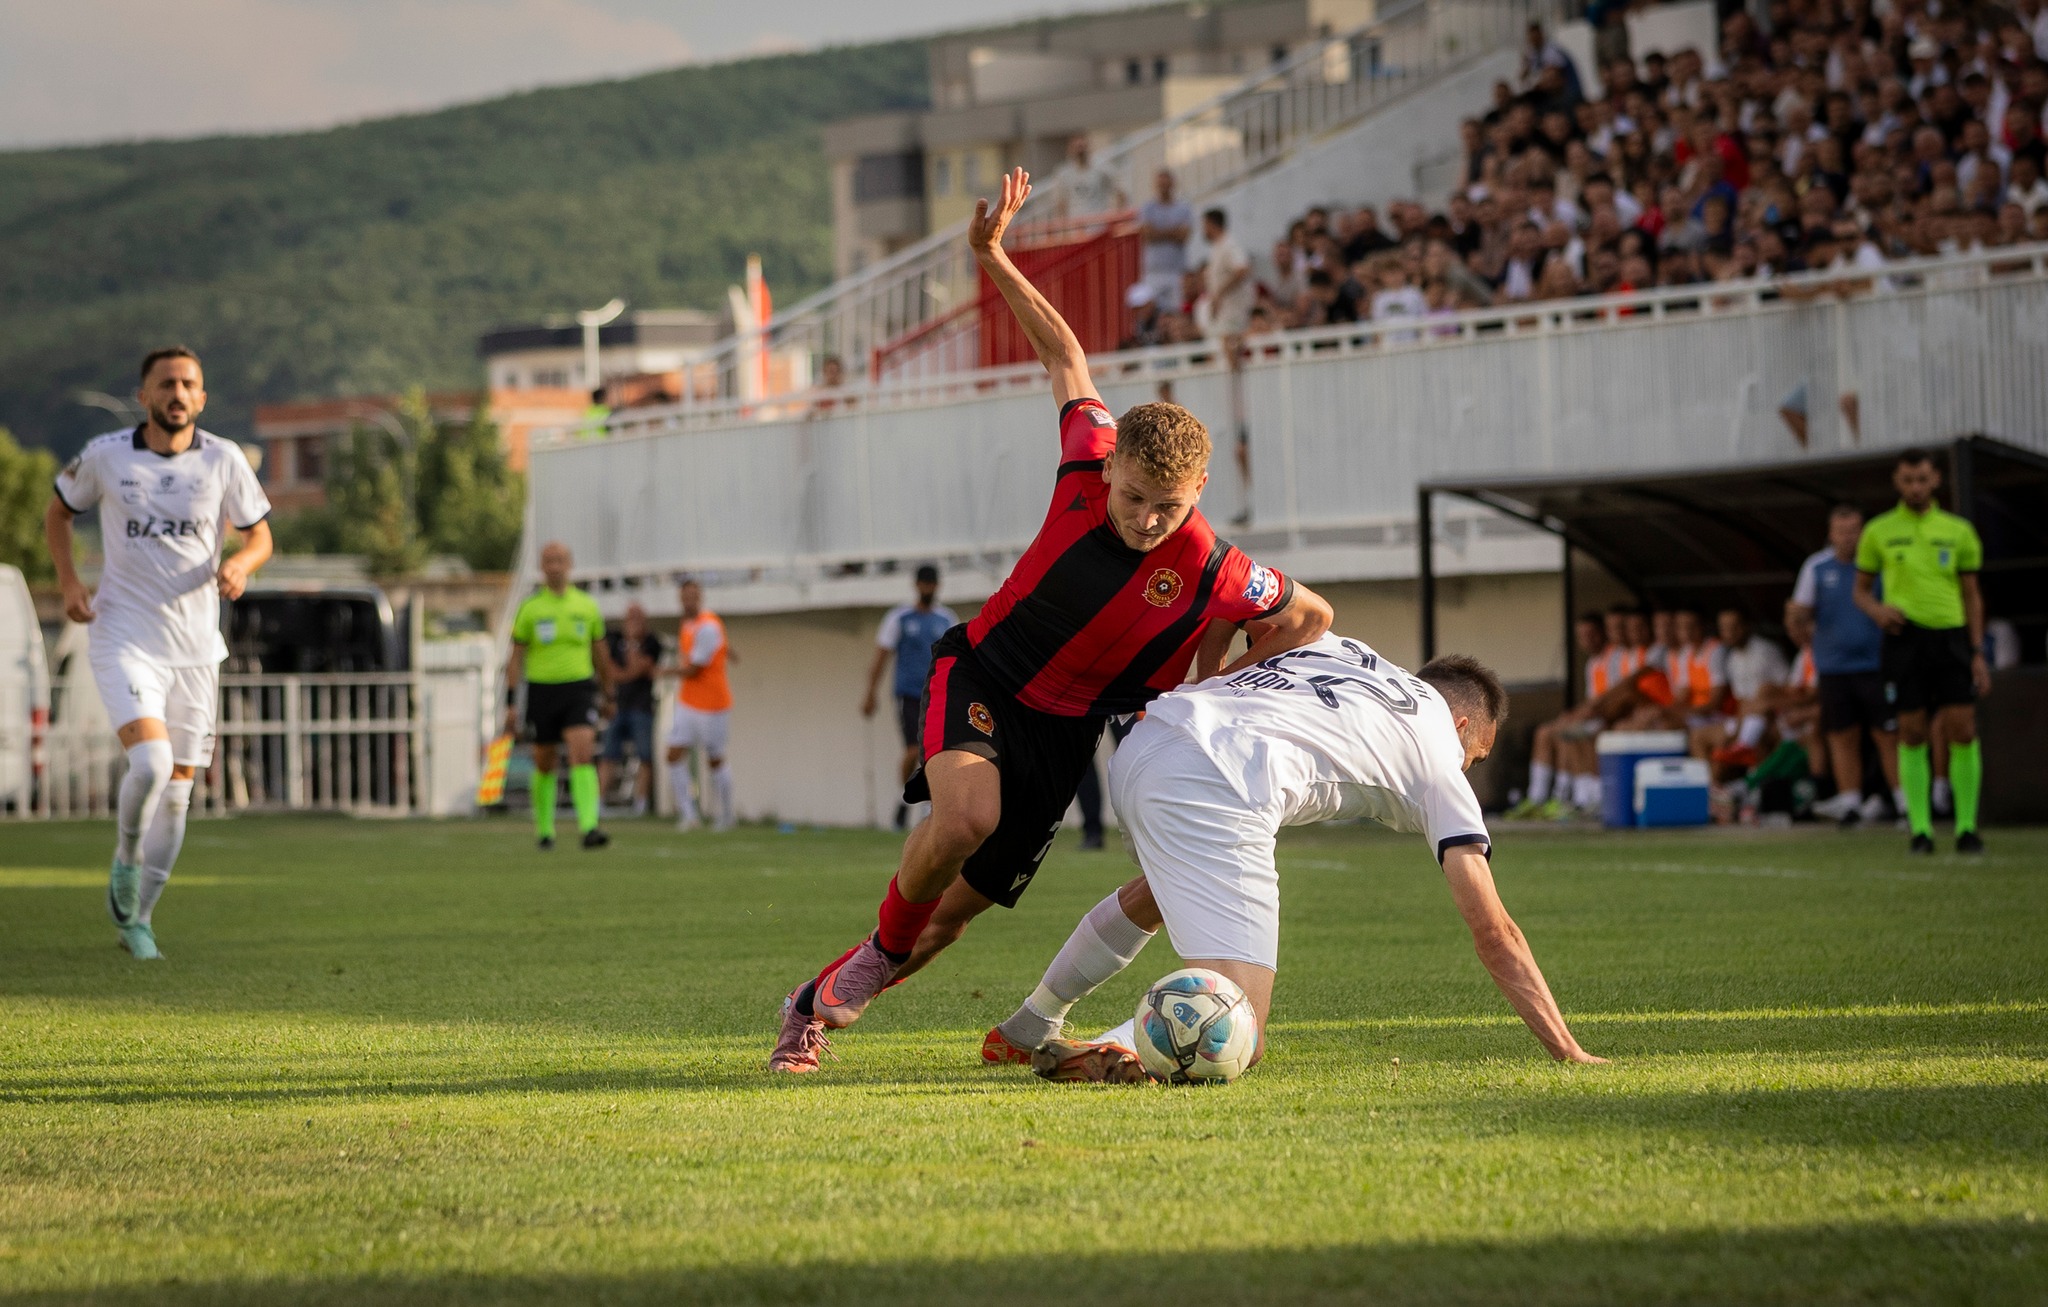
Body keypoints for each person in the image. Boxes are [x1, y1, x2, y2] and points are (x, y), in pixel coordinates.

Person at [769, 167, 1333, 1074]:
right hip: (986, 674)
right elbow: (1065, 353)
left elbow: (1310, 614)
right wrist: (991, 254)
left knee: (953, 916)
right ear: (1111, 471)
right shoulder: (1086, 457)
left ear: (1201, 492)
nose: (1149, 519)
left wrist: (1218, 673)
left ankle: (811, 1004)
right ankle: (873, 954)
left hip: (1068, 734)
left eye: (1170, 505)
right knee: (961, 820)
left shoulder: (1217, 565)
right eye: (1137, 496)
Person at [981, 638, 1604, 1080]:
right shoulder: (1438, 755)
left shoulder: (1345, 650)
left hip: (1152, 739)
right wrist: (1567, 1050)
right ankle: (1117, 1046)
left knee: (1157, 892)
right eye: (1479, 756)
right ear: (1464, 723)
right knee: (1238, 1030)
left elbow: (1261, 613)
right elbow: (1494, 930)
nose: (1469, 769)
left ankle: (1030, 1025)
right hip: (1219, 781)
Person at [43, 346, 274, 960]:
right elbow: (58, 514)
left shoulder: (224, 460)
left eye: (189, 384)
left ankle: (139, 921)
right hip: (124, 635)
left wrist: (243, 563)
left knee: (178, 793)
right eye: (166, 383)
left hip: (197, 650)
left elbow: (259, 534)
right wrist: (69, 583)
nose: (177, 392)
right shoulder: (106, 455)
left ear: (202, 397)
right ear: (143, 395)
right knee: (149, 764)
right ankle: (125, 856)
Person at [1854, 450, 1990, 855]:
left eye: (1922, 479)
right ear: (1897, 482)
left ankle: (1966, 827)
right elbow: (1860, 590)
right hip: (1904, 640)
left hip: (1950, 638)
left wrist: (1977, 650)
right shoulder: (1879, 531)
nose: (1915, 486)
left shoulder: (1958, 530)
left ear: (1935, 481)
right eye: (1908, 480)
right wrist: (1878, 610)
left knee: (1961, 729)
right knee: (1911, 732)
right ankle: (1921, 830)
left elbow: (1971, 594)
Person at [1790, 505, 1900, 825]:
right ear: (1830, 534)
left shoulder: (1878, 564)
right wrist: (1797, 621)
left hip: (1876, 665)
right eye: (1842, 531)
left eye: (1854, 530)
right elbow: (1800, 610)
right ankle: (1850, 801)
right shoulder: (1817, 567)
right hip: (1834, 668)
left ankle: (1904, 803)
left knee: (1888, 735)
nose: (1848, 538)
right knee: (1842, 735)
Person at [505, 541, 613, 851]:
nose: (555, 566)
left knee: (582, 753)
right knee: (544, 761)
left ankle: (590, 826)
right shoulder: (531, 608)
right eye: (549, 560)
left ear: (570, 564)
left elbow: (600, 653)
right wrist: (512, 702)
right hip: (542, 690)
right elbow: (515, 658)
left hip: (578, 688)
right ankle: (544, 830)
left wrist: (609, 692)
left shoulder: (587, 606)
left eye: (560, 560)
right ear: (541, 566)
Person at [861, 565, 959, 831]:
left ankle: (929, 807)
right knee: (914, 750)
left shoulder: (946, 619)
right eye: (924, 584)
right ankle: (903, 801)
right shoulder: (899, 618)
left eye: (932, 584)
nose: (928, 588)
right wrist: (871, 693)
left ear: (938, 586)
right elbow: (882, 656)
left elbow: (958, 661)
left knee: (937, 750)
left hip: (938, 695)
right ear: (916, 585)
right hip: (909, 694)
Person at [1198, 207, 1256, 524]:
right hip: (1226, 335)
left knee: (1241, 440)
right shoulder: (1220, 249)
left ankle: (1249, 504)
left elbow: (1242, 269)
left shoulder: (1229, 246)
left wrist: (1219, 293)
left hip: (1234, 331)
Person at [666, 577, 735, 832]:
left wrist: (663, 671)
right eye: (685, 596)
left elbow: (694, 669)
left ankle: (727, 814)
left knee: (714, 759)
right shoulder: (688, 624)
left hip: (713, 703)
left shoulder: (708, 626)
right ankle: (689, 814)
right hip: (689, 702)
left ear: (700, 597)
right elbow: (719, 647)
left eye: (693, 595)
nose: (688, 600)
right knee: (673, 755)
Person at [599, 602, 662, 816]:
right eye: (630, 616)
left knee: (644, 756)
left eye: (637, 617)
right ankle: (598, 802)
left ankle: (641, 803)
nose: (633, 621)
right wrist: (626, 674)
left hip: (641, 707)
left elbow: (638, 668)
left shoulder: (651, 641)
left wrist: (634, 644)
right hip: (619, 705)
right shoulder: (615, 638)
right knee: (609, 754)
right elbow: (610, 669)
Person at [1138, 170, 1193, 307]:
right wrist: (1173, 231)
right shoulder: (1148, 208)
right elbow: (1147, 235)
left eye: (1166, 184)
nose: (1163, 188)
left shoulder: (1183, 208)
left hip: (1176, 270)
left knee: (1176, 309)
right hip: (1154, 270)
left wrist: (1159, 231)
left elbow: (1183, 236)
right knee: (1155, 312)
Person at [1053, 135, 1124, 218]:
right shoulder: (1064, 174)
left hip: (1100, 223)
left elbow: (1119, 191)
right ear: (1070, 150)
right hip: (1076, 224)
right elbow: (1061, 203)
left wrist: (1118, 214)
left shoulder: (1102, 169)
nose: (1080, 152)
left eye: (1082, 147)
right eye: (1077, 148)